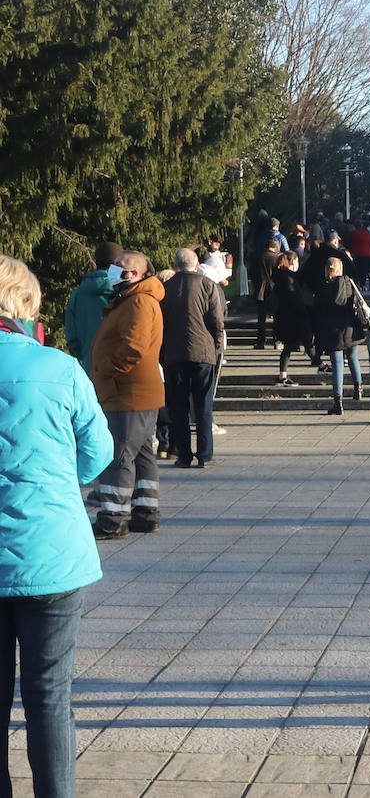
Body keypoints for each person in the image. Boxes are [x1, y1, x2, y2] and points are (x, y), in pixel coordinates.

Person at [0, 255, 112, 798]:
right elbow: (99, 450)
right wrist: (58, 484)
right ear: (26, 307)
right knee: (49, 697)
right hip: (51, 553)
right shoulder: (61, 368)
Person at [89, 250, 165, 539]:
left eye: (119, 266)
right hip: (136, 393)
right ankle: (145, 513)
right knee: (143, 455)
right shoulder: (131, 300)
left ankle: (112, 518)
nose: (113, 269)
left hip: (128, 392)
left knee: (118, 454)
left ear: (134, 274)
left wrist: (105, 369)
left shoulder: (139, 302)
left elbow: (134, 347)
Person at [161, 249, 225, 470]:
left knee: (178, 407)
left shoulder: (165, 288)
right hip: (203, 353)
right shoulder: (208, 285)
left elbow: (160, 323)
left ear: (176, 264)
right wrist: (216, 347)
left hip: (174, 354)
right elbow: (217, 320)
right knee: (203, 405)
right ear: (196, 263)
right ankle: (205, 455)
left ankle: (183, 455)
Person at [313, 256, 367, 415]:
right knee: (353, 357)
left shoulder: (322, 287)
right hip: (350, 328)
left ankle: (338, 402)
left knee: (337, 365)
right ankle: (358, 388)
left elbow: (318, 310)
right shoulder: (349, 283)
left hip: (332, 331)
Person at [64, 241, 122, 374]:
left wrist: (87, 355)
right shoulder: (126, 293)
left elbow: (72, 339)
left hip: (90, 369)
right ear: (118, 265)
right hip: (121, 372)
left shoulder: (77, 295)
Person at [271, 252, 312, 387]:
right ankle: (318, 363)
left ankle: (283, 375)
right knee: (299, 342)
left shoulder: (280, 276)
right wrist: (303, 311)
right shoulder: (288, 279)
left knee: (291, 346)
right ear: (292, 262)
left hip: (285, 317)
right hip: (292, 317)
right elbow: (293, 298)